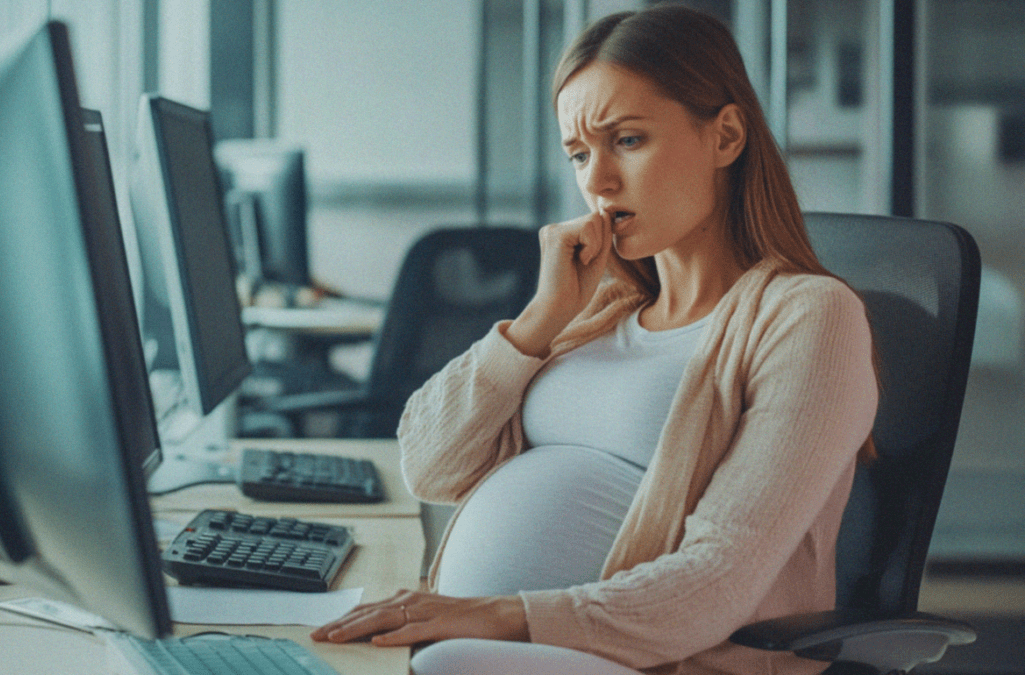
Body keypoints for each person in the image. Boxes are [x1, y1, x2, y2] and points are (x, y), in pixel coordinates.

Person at [311, 5, 878, 674]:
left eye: (627, 140)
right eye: (580, 152)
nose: (596, 181)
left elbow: (716, 579)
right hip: (503, 644)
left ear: (725, 137)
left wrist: (496, 613)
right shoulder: (600, 311)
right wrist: (537, 320)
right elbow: (429, 465)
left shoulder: (811, 315)